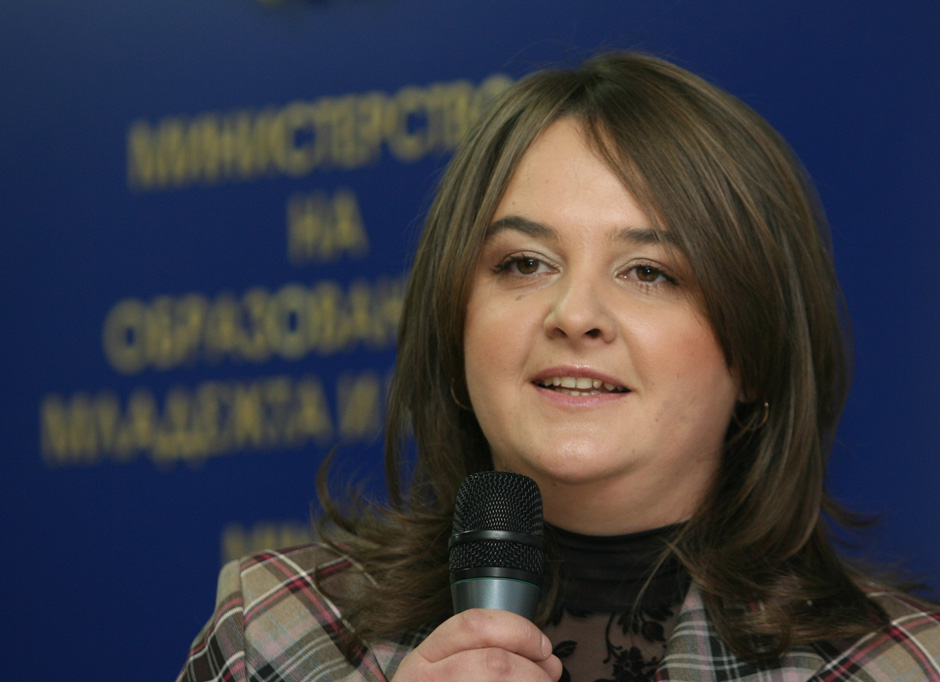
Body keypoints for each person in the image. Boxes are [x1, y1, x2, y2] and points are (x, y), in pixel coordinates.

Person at [176, 52, 940, 682]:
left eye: (649, 272)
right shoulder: (278, 632)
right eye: (525, 263)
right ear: (455, 325)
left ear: (757, 355)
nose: (574, 314)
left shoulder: (899, 668)